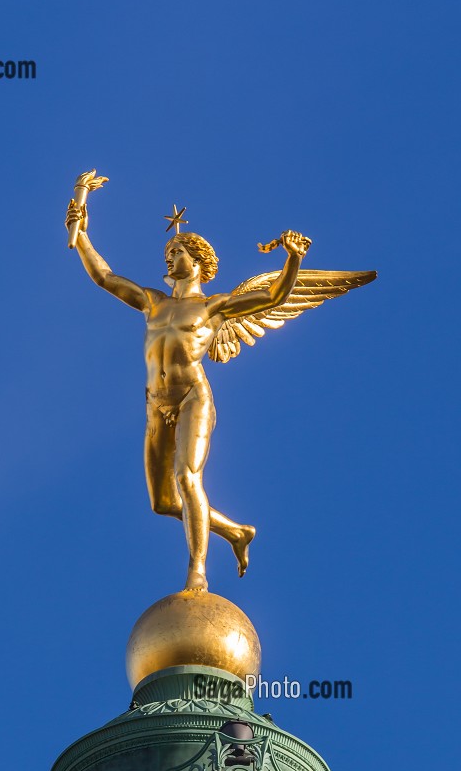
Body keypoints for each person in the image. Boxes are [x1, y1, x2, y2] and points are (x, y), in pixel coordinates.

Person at [66, 199, 310, 591]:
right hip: (155, 402)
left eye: (177, 251)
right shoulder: (153, 302)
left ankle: (197, 572)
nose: (170, 256)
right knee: (163, 503)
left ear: (198, 262)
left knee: (187, 476)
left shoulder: (214, 306)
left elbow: (273, 298)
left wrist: (293, 260)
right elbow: (106, 277)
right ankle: (236, 532)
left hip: (192, 397)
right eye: (168, 252)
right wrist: (82, 237)